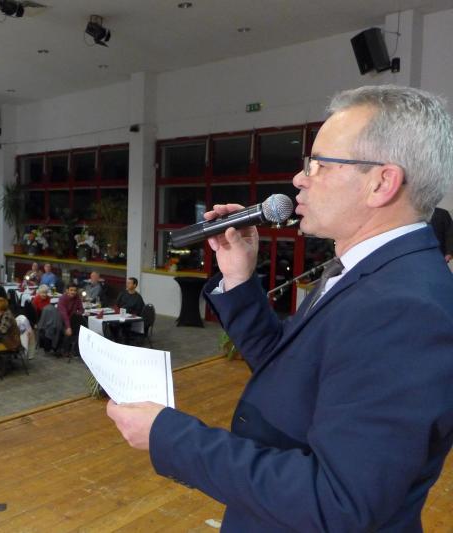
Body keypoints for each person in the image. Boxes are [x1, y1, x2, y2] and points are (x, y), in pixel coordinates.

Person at [106, 85, 453, 532]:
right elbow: (288, 369)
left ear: (381, 183)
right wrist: (238, 277)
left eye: (318, 165)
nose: (299, 179)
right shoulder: (367, 272)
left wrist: (169, 437)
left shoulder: (406, 309)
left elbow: (337, 503)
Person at [56, 282, 84, 353]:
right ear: (67, 290)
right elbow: (64, 315)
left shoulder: (77, 298)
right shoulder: (62, 299)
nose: (73, 292)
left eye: (75, 290)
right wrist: (68, 327)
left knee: (82, 326)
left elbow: (81, 309)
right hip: (61, 320)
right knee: (67, 331)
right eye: (71, 290)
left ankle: (76, 350)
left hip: (71, 319)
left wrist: (77, 313)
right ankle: (64, 350)